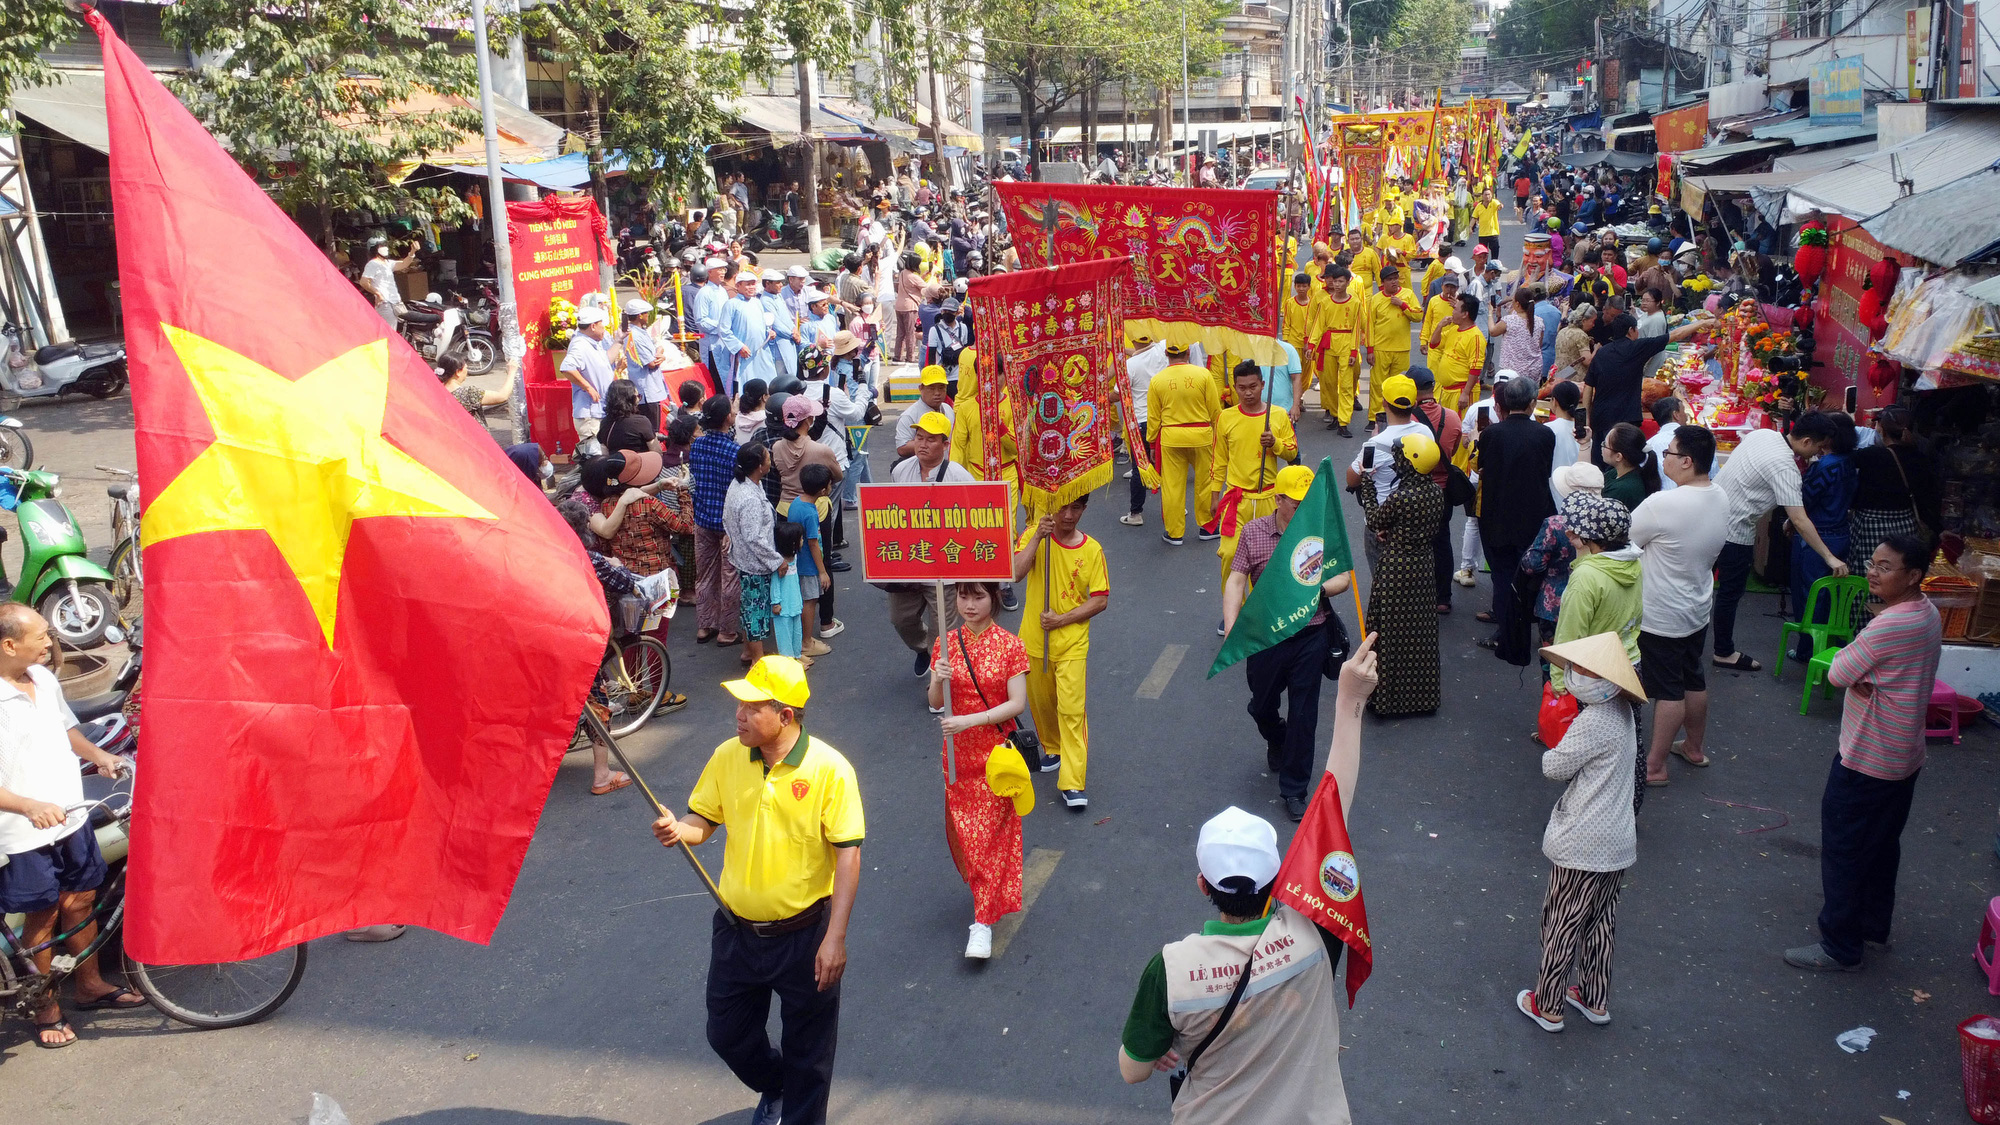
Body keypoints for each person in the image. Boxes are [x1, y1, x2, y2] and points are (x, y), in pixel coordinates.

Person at [650, 656, 863, 1125]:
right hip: (736, 931)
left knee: (809, 1052)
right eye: (739, 706)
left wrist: (836, 938)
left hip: (806, 936)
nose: (739, 716)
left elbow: (848, 855)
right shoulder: (729, 755)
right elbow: (702, 820)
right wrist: (677, 829)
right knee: (727, 1035)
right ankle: (775, 1084)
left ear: (785, 716)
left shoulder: (830, 769)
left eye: (751, 707)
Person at [1119, 792, 1371, 1120]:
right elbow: (1336, 805)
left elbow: (1132, 1070)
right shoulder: (1316, 931)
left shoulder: (1170, 970)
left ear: (1203, 886)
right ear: (1277, 879)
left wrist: (1160, 1040)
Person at [1782, 535, 1942, 973]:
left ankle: (1839, 945)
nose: (1872, 571)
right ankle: (1872, 925)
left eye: (1885, 567)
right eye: (1872, 563)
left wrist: (1859, 675)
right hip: (1904, 754)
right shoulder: (1926, 613)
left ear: (1912, 576)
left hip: (1869, 755)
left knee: (1845, 848)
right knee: (1881, 844)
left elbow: (1836, 672)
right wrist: (1864, 676)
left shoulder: (1889, 625)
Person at [0, 604, 143, 1047]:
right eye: (41, 635)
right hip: (22, 831)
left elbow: (67, 730)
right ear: (9, 645)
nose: (50, 641)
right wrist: (25, 805)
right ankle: (46, 1008)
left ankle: (90, 984)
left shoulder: (42, 678)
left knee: (81, 899)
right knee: (41, 916)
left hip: (70, 813)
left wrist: (99, 756)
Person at [1516, 632, 1643, 1033]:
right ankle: (1593, 996)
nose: (1574, 674)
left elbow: (1554, 767)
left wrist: (1558, 734)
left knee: (1562, 919)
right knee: (1601, 920)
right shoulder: (1624, 711)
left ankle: (1548, 1004)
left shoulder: (1594, 720)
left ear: (1604, 680)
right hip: (1619, 839)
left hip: (1585, 841)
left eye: (1583, 669)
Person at [1222, 465, 1353, 821]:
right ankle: (1275, 736)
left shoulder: (1320, 534)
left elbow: (1343, 576)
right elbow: (1236, 581)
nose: (1304, 512)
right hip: (1266, 637)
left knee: (1304, 715)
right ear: (1278, 500)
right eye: (1297, 505)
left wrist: (1315, 590)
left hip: (1311, 634)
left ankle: (1295, 790)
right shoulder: (1254, 533)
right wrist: (1234, 629)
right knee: (1262, 705)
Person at [925, 581, 1032, 959]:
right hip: (956, 756)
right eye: (963, 596)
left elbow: (1017, 703)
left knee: (989, 836)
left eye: (978, 596)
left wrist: (972, 720)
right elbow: (936, 703)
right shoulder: (946, 642)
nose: (969, 604)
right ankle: (985, 892)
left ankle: (982, 923)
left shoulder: (1010, 645)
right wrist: (938, 678)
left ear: (995, 599)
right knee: (966, 836)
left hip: (995, 757)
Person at [1711, 413, 1848, 672]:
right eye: (1818, 447)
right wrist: (1830, 557)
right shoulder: (1785, 467)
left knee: (1700, 587)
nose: (1818, 454)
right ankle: (1724, 651)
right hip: (1735, 533)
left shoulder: (1763, 435)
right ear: (1807, 441)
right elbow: (1800, 519)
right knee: (1729, 594)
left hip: (1709, 519)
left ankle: (1687, 643)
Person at [1631, 425, 1729, 786]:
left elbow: (1625, 540)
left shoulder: (1663, 503)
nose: (1665, 459)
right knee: (1692, 677)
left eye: (1669, 453)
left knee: (1667, 689)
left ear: (1687, 462)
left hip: (1661, 613)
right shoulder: (1719, 495)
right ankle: (1694, 746)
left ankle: (1655, 766)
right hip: (1697, 606)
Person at [1011, 495, 1109, 809]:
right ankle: (1052, 747)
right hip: (1033, 640)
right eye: (1063, 507)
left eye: (1076, 508)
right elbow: (1015, 573)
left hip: (1072, 643)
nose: (1068, 515)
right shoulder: (1033, 535)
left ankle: (1072, 782)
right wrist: (1037, 537)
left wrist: (1062, 619)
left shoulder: (1092, 550)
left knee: (1071, 710)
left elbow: (1100, 599)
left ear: (1084, 510)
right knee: (1040, 702)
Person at [1353, 433, 1445, 717]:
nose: (1396, 462)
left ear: (1411, 463)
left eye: (1400, 458)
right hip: (1423, 568)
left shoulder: (1401, 497)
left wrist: (1367, 487)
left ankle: (1388, 700)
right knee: (1420, 634)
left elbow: (1375, 518)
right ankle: (1422, 698)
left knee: (1389, 633)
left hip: (1396, 569)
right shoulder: (1435, 493)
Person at [888, 413, 974, 679]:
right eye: (919, 438)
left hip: (945, 568)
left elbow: (975, 519)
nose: (922, 444)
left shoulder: (960, 477)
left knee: (944, 631)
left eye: (931, 440)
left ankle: (940, 689)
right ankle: (923, 648)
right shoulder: (901, 470)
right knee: (900, 619)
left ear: (945, 445)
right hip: (910, 562)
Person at [1475, 376, 1557, 647]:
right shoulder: (1544, 434)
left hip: (1496, 515)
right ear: (1532, 403)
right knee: (1528, 574)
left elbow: (1483, 467)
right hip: (1531, 516)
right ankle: (1527, 623)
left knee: (1501, 575)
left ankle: (1505, 629)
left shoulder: (1492, 434)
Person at [1210, 362, 1299, 595]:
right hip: (1237, 501)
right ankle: (1234, 613)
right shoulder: (1225, 418)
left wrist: (1275, 443)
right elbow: (1219, 461)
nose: (1248, 393)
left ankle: (1266, 610)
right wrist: (1213, 496)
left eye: (1252, 386)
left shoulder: (1278, 415)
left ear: (1263, 385)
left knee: (1272, 557)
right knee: (1230, 555)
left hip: (1270, 499)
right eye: (1241, 388)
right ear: (1234, 389)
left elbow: (1292, 453)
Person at [1582, 312, 1708, 466]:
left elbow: (1588, 385)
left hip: (1601, 417)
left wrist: (1586, 415)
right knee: (1624, 466)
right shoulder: (1637, 347)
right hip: (1626, 419)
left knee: (1600, 463)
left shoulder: (1602, 353)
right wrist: (1701, 324)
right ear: (1631, 330)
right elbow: (1675, 335)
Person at [1790, 412, 1860, 661]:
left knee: (1809, 596)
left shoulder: (1825, 466)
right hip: (1841, 533)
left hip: (1817, 539)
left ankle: (1807, 651)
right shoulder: (1849, 463)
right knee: (1833, 597)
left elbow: (1804, 502)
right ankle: (1832, 648)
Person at [1847, 406, 1941, 570]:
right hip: (1906, 527)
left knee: (1871, 573)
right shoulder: (1919, 458)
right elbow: (1927, 498)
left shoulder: (1869, 456)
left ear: (1881, 430)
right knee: (1898, 572)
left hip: (1869, 527)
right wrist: (1939, 529)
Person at [1148, 343, 1224, 546]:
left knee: (1172, 487)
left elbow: (1154, 419)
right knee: (1205, 482)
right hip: (1201, 436)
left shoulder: (1157, 381)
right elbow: (1215, 411)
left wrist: (1152, 445)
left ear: (1166, 353)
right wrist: (1219, 439)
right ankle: (1208, 527)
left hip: (1171, 437)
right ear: (1188, 352)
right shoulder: (1203, 375)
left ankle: (1174, 533)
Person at [727, 444, 785, 668]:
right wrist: (776, 561)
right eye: (768, 458)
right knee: (756, 610)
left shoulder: (741, 484)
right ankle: (757, 661)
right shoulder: (749, 497)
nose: (771, 460)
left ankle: (748, 651)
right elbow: (754, 538)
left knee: (750, 607)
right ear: (760, 467)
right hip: (754, 563)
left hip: (743, 557)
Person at [1362, 267, 1421, 426]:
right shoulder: (1375, 299)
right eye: (1390, 279)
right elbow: (1369, 326)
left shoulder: (1407, 295)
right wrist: (1370, 350)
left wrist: (1402, 305)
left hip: (1401, 349)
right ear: (1383, 283)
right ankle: (1375, 418)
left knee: (1400, 384)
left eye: (1396, 278)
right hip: (1381, 349)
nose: (1394, 281)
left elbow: (1418, 316)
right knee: (1377, 385)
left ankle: (1398, 416)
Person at [1319, 268, 1367, 435]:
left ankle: (1343, 422)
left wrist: (1355, 351)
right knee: (1329, 382)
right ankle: (1334, 414)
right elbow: (1318, 325)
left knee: (1346, 385)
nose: (1336, 284)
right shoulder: (1325, 302)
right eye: (1335, 281)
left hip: (1347, 344)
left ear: (1348, 283)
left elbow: (1357, 328)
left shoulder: (1355, 303)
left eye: (1340, 281)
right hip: (1329, 345)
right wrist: (1311, 346)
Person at [561, 306, 616, 450]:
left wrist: (619, 341)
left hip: (599, 410)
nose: (604, 328)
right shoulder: (580, 345)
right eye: (602, 325)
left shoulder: (592, 342)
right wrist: (587, 387)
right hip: (590, 414)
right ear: (593, 326)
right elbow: (567, 367)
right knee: (595, 458)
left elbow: (605, 360)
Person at [1428, 293, 1487, 414]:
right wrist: (1440, 326)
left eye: (1455, 309)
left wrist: (1465, 393)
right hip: (1447, 391)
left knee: (1461, 429)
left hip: (1461, 392)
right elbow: (1433, 344)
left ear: (1465, 314)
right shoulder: (1454, 329)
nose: (1452, 312)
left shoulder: (1475, 337)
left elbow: (1476, 368)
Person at [621, 298, 675, 426]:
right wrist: (660, 355)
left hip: (651, 387)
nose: (648, 316)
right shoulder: (634, 335)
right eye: (646, 313)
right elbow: (651, 363)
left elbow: (654, 352)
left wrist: (659, 352)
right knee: (651, 428)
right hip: (646, 390)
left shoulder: (641, 332)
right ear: (640, 316)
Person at [437, 354, 515, 428]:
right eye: (466, 368)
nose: (467, 371)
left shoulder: (436, 392)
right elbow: (502, 396)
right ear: (458, 372)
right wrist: (512, 372)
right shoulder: (468, 393)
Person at [894, 366, 955, 459]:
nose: (937, 393)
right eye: (931, 388)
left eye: (941, 388)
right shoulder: (909, 416)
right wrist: (932, 443)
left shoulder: (948, 409)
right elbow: (902, 447)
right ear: (921, 388)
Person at [1599, 422, 1660, 512]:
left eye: (1605, 445)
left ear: (1618, 456)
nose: (1602, 446)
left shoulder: (1623, 489)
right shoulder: (1617, 472)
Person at [1490, 289, 1546, 384]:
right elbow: (1539, 345)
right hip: (1534, 368)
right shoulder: (1539, 321)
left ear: (1518, 304)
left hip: (1512, 370)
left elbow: (1493, 332)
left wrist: (1489, 314)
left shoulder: (1509, 320)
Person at [359, 237, 417, 328]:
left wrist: (412, 252)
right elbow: (363, 282)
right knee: (389, 333)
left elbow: (403, 264)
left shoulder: (387, 263)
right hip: (385, 304)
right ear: (374, 249)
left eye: (385, 245)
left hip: (395, 303)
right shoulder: (373, 264)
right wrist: (378, 294)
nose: (385, 247)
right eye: (381, 245)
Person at [771, 522, 807, 662]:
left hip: (795, 603)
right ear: (792, 543)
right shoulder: (779, 564)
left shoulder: (794, 558)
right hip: (783, 607)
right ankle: (788, 660)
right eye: (800, 538)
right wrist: (775, 602)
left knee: (796, 632)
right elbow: (775, 583)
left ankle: (797, 656)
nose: (802, 540)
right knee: (784, 634)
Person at [692, 257, 731, 375]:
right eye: (719, 269)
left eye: (724, 269)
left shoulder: (723, 291)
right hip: (712, 344)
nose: (723, 272)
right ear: (710, 272)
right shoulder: (704, 293)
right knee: (716, 377)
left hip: (724, 341)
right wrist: (721, 328)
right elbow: (701, 320)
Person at [760, 270, 800, 384]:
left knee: (792, 374)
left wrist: (795, 329)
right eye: (778, 282)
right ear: (767, 284)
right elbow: (776, 324)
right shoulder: (765, 301)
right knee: (781, 377)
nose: (781, 285)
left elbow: (787, 317)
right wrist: (792, 334)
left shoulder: (778, 297)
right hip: (779, 344)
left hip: (790, 341)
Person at [1643, 398, 1684, 490]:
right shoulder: (1698, 439)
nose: (1686, 416)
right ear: (1676, 415)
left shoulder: (1649, 444)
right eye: (1684, 411)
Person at [1552, 303, 1597, 383]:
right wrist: (1597, 349)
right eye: (1593, 321)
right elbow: (1587, 361)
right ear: (1583, 321)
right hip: (1575, 380)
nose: (1594, 325)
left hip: (1559, 376)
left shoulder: (1563, 331)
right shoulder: (1580, 335)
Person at [1474, 187, 1502, 258]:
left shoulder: (1494, 202)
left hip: (1493, 233)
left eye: (1489, 194)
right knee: (1483, 254)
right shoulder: (1479, 206)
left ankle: (1494, 267)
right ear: (1482, 196)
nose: (1487, 196)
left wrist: (1500, 207)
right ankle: (1484, 268)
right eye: (1486, 194)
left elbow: (1499, 206)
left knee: (1495, 253)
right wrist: (1470, 227)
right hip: (1482, 234)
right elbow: (1474, 217)